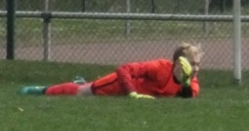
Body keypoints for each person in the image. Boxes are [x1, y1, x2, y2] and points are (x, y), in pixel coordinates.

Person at [18, 43, 202, 98]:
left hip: (131, 94)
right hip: (120, 86)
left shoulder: (192, 83)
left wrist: (185, 82)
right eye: (191, 63)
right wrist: (132, 94)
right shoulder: (159, 67)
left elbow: (186, 98)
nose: (195, 69)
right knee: (82, 93)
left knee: (85, 88)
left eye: (197, 64)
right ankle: (42, 90)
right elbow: (124, 69)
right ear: (178, 63)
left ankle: (81, 82)